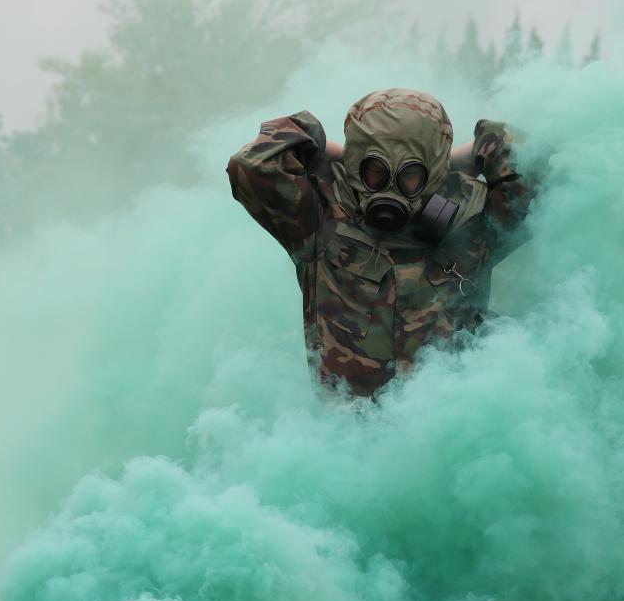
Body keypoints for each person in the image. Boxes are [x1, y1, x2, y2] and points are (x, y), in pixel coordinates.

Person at [226, 88, 532, 398]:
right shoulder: (319, 221)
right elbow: (251, 165)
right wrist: (330, 151)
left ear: (435, 170)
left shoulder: (469, 225)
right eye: (374, 170)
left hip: (449, 428)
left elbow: (538, 175)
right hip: (348, 436)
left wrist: (468, 155)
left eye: (410, 173)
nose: (389, 190)